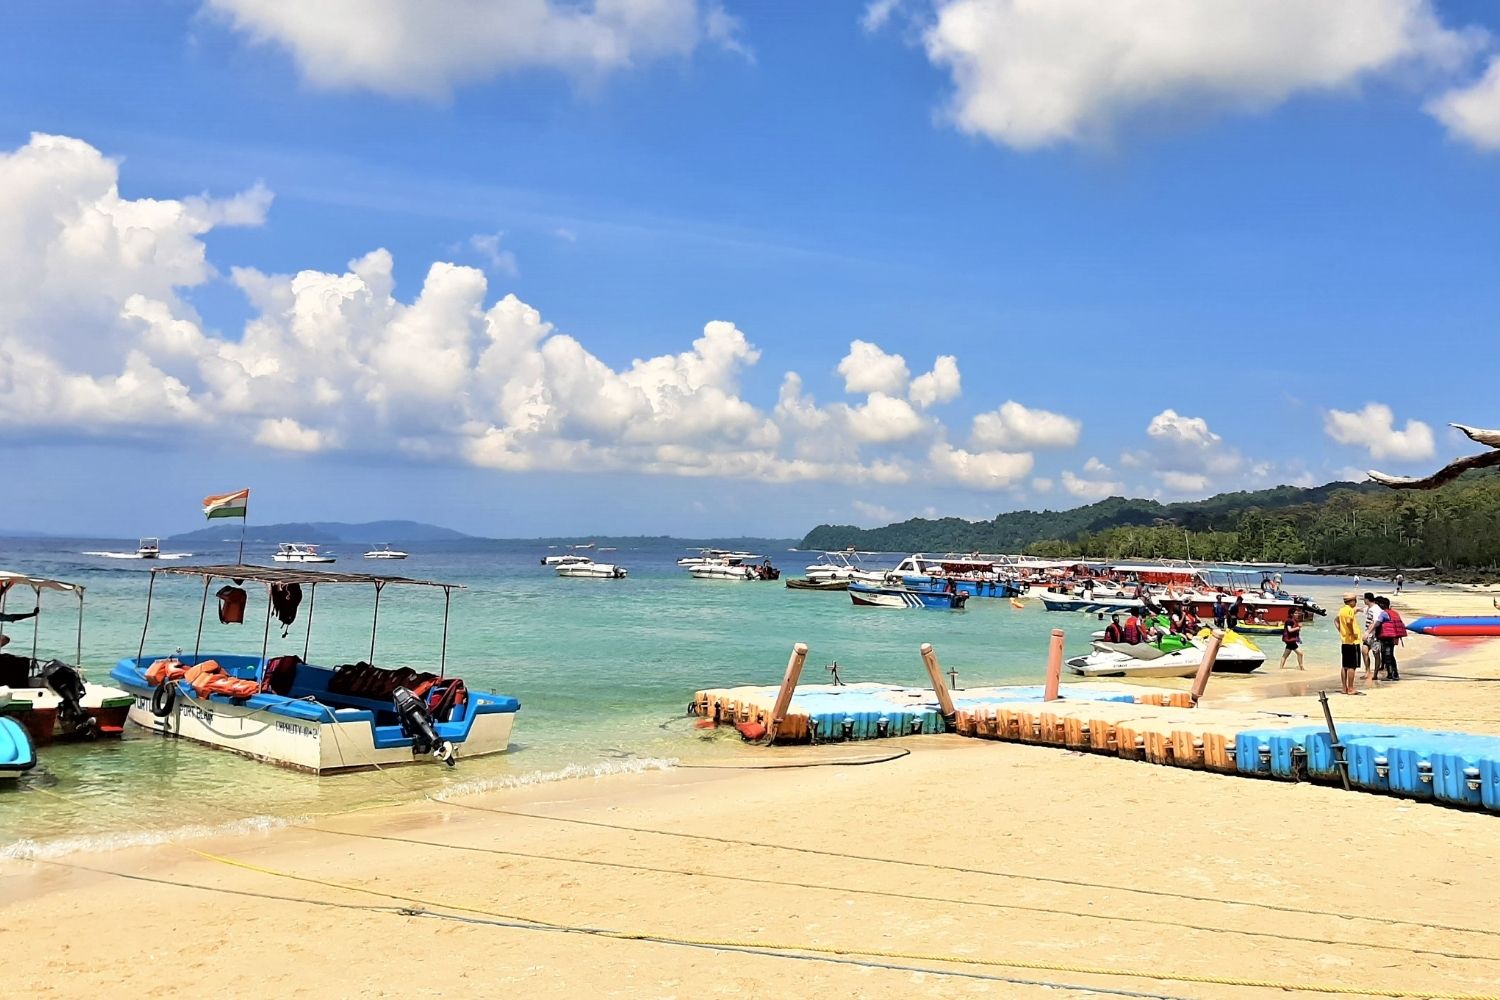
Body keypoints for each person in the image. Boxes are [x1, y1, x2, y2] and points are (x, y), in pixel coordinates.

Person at [1336, 593, 1363, 695]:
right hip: (1352, 641)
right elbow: (1348, 622)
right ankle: (1351, 688)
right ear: (1352, 601)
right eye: (1355, 600)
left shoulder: (1342, 610)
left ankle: (1344, 688)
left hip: (1344, 641)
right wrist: (1352, 632)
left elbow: (1336, 621)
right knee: (1352, 666)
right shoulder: (1350, 610)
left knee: (1345, 666)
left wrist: (1341, 631)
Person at [1372, 596, 1403, 681]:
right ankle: (1395, 673)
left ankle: (1390, 675)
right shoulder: (1394, 613)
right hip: (1393, 636)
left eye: (1378, 604)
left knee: (1387, 655)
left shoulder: (1383, 613)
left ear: (1382, 604)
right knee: (1391, 655)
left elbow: (1378, 623)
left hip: (1386, 637)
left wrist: (1369, 630)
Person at [1362, 592, 1381, 681]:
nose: (1363, 601)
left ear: (1367, 599)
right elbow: (1362, 609)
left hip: (1375, 635)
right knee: (1364, 651)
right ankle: (1367, 671)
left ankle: (1375, 674)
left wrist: (1368, 632)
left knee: (1376, 654)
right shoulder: (1369, 608)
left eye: (1364, 599)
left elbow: (1376, 622)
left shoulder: (1376, 609)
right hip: (1368, 635)